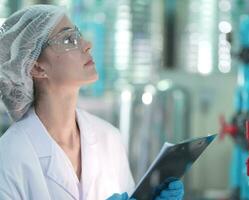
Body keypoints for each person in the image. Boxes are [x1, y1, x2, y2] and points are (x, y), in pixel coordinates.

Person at [0, 4, 184, 200]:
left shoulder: (109, 138)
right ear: (36, 67)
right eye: (68, 39)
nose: (87, 44)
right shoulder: (9, 155)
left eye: (78, 35)